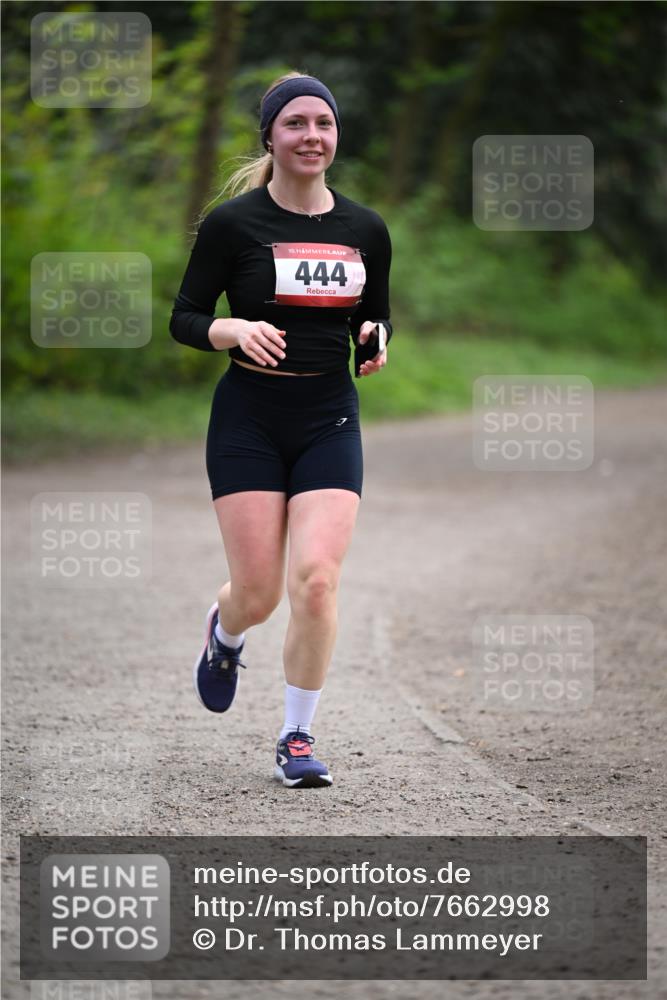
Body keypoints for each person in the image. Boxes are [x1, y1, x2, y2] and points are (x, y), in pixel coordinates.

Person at [170, 71, 393, 789]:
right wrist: (232, 329)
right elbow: (184, 318)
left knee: (317, 581)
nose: (311, 136)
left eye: (323, 124)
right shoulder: (233, 224)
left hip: (329, 416)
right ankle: (226, 630)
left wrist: (375, 337)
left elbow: (376, 314)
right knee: (259, 593)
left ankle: (297, 738)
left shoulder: (365, 229)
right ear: (269, 136)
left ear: (336, 136)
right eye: (295, 123)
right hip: (249, 419)